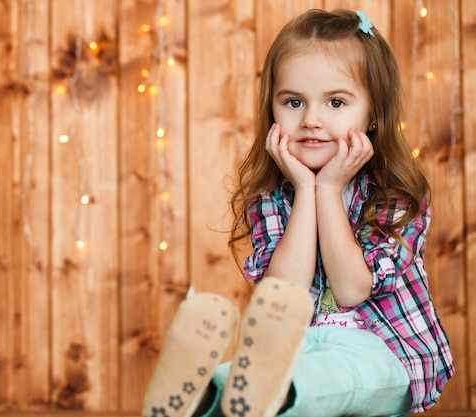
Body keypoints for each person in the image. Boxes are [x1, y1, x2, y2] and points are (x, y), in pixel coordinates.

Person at [141, 8, 454, 417]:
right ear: (272, 109)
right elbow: (284, 293)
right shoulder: (272, 196)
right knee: (252, 372)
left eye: (336, 102)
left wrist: (328, 188)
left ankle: (271, 393)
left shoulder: (397, 196)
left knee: (337, 376)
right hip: (300, 346)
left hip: (387, 351)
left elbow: (351, 289)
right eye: (293, 102)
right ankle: (205, 392)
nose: (310, 120)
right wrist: (305, 190)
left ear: (373, 113)